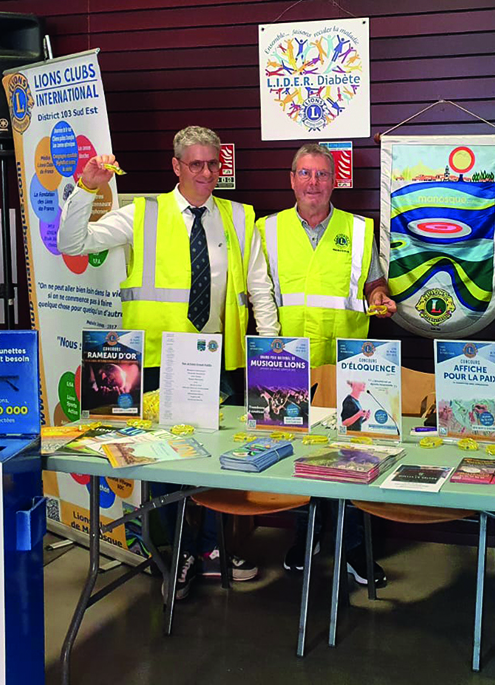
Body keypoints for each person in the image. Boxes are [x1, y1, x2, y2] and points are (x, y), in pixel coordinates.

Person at [58, 125, 280, 594]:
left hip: (220, 361)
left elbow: (258, 287)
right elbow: (71, 244)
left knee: (219, 460)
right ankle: (174, 555)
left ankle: (213, 547)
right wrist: (86, 187)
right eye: (195, 164)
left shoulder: (241, 217)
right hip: (156, 362)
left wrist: (270, 349)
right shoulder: (140, 212)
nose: (205, 173)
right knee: (163, 466)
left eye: (213, 164)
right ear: (176, 166)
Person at [256, 143, 396, 587]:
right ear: (292, 179)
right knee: (296, 451)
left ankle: (353, 546)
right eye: (304, 174)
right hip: (287, 362)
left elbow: (373, 281)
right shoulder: (268, 229)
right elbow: (261, 294)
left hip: (350, 362)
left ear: (334, 180)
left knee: (354, 454)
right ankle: (307, 534)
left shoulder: (358, 229)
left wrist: (378, 298)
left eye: (321, 175)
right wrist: (272, 346)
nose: (313, 183)